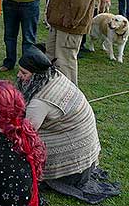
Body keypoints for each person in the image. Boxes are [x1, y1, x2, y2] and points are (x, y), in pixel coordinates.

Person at [16, 45, 120, 204]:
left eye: (24, 73)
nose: (19, 75)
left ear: (37, 75)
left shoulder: (39, 101)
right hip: (87, 158)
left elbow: (25, 132)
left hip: (73, 170)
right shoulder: (53, 75)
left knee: (20, 143)